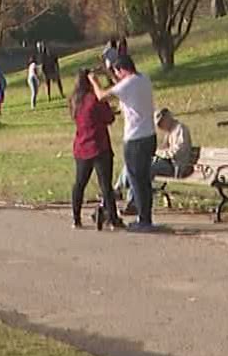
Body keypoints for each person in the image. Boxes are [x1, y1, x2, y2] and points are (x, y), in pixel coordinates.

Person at [91, 53, 158, 231]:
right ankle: (147, 217)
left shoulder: (127, 84)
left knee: (136, 180)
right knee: (145, 179)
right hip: (150, 136)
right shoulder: (143, 78)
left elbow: (101, 96)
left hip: (135, 139)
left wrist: (93, 80)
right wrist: (109, 72)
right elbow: (120, 83)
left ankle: (143, 220)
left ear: (122, 70)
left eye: (117, 72)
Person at [70, 66, 121, 229]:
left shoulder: (74, 100)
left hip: (81, 146)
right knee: (105, 184)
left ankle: (76, 218)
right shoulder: (95, 99)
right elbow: (109, 118)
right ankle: (113, 219)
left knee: (79, 183)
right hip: (99, 145)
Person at [154, 109, 197, 177]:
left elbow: (177, 152)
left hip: (176, 167)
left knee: (150, 168)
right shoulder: (169, 132)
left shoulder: (180, 129)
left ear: (167, 117)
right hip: (169, 164)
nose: (160, 127)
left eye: (161, 122)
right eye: (158, 125)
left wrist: (159, 153)